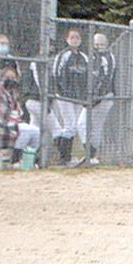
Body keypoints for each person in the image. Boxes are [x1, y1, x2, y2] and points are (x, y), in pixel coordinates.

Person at [0, 65, 41, 170]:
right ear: (2, 79)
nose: (11, 80)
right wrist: (13, 127)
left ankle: (25, 161)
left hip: (6, 128)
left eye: (13, 77)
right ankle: (14, 161)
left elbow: (17, 114)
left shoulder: (12, 93)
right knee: (25, 130)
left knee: (34, 132)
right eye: (7, 77)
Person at [50, 28, 89, 167]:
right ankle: (64, 157)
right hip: (65, 96)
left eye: (77, 37)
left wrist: (83, 94)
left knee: (73, 126)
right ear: (67, 40)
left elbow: (88, 76)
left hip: (78, 97)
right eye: (72, 37)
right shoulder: (63, 55)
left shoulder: (84, 57)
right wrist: (63, 92)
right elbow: (56, 74)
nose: (75, 40)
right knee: (70, 125)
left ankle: (66, 157)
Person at [87, 32, 117, 165]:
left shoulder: (108, 58)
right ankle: (90, 154)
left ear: (107, 45)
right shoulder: (90, 57)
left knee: (96, 126)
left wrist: (97, 96)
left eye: (102, 44)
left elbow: (105, 78)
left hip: (104, 96)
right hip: (93, 97)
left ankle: (92, 155)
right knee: (83, 124)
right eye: (96, 44)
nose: (99, 47)